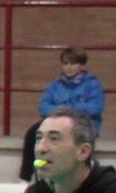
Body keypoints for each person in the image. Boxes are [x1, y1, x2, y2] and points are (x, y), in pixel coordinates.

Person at [20, 48, 105, 181]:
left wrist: (68, 110)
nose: (69, 67)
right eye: (65, 64)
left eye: (73, 63)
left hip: (82, 125)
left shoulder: (92, 85)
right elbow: (43, 106)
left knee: (73, 139)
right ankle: (30, 173)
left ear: (82, 65)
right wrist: (60, 112)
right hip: (56, 123)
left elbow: (95, 107)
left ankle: (86, 176)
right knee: (33, 134)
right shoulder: (55, 85)